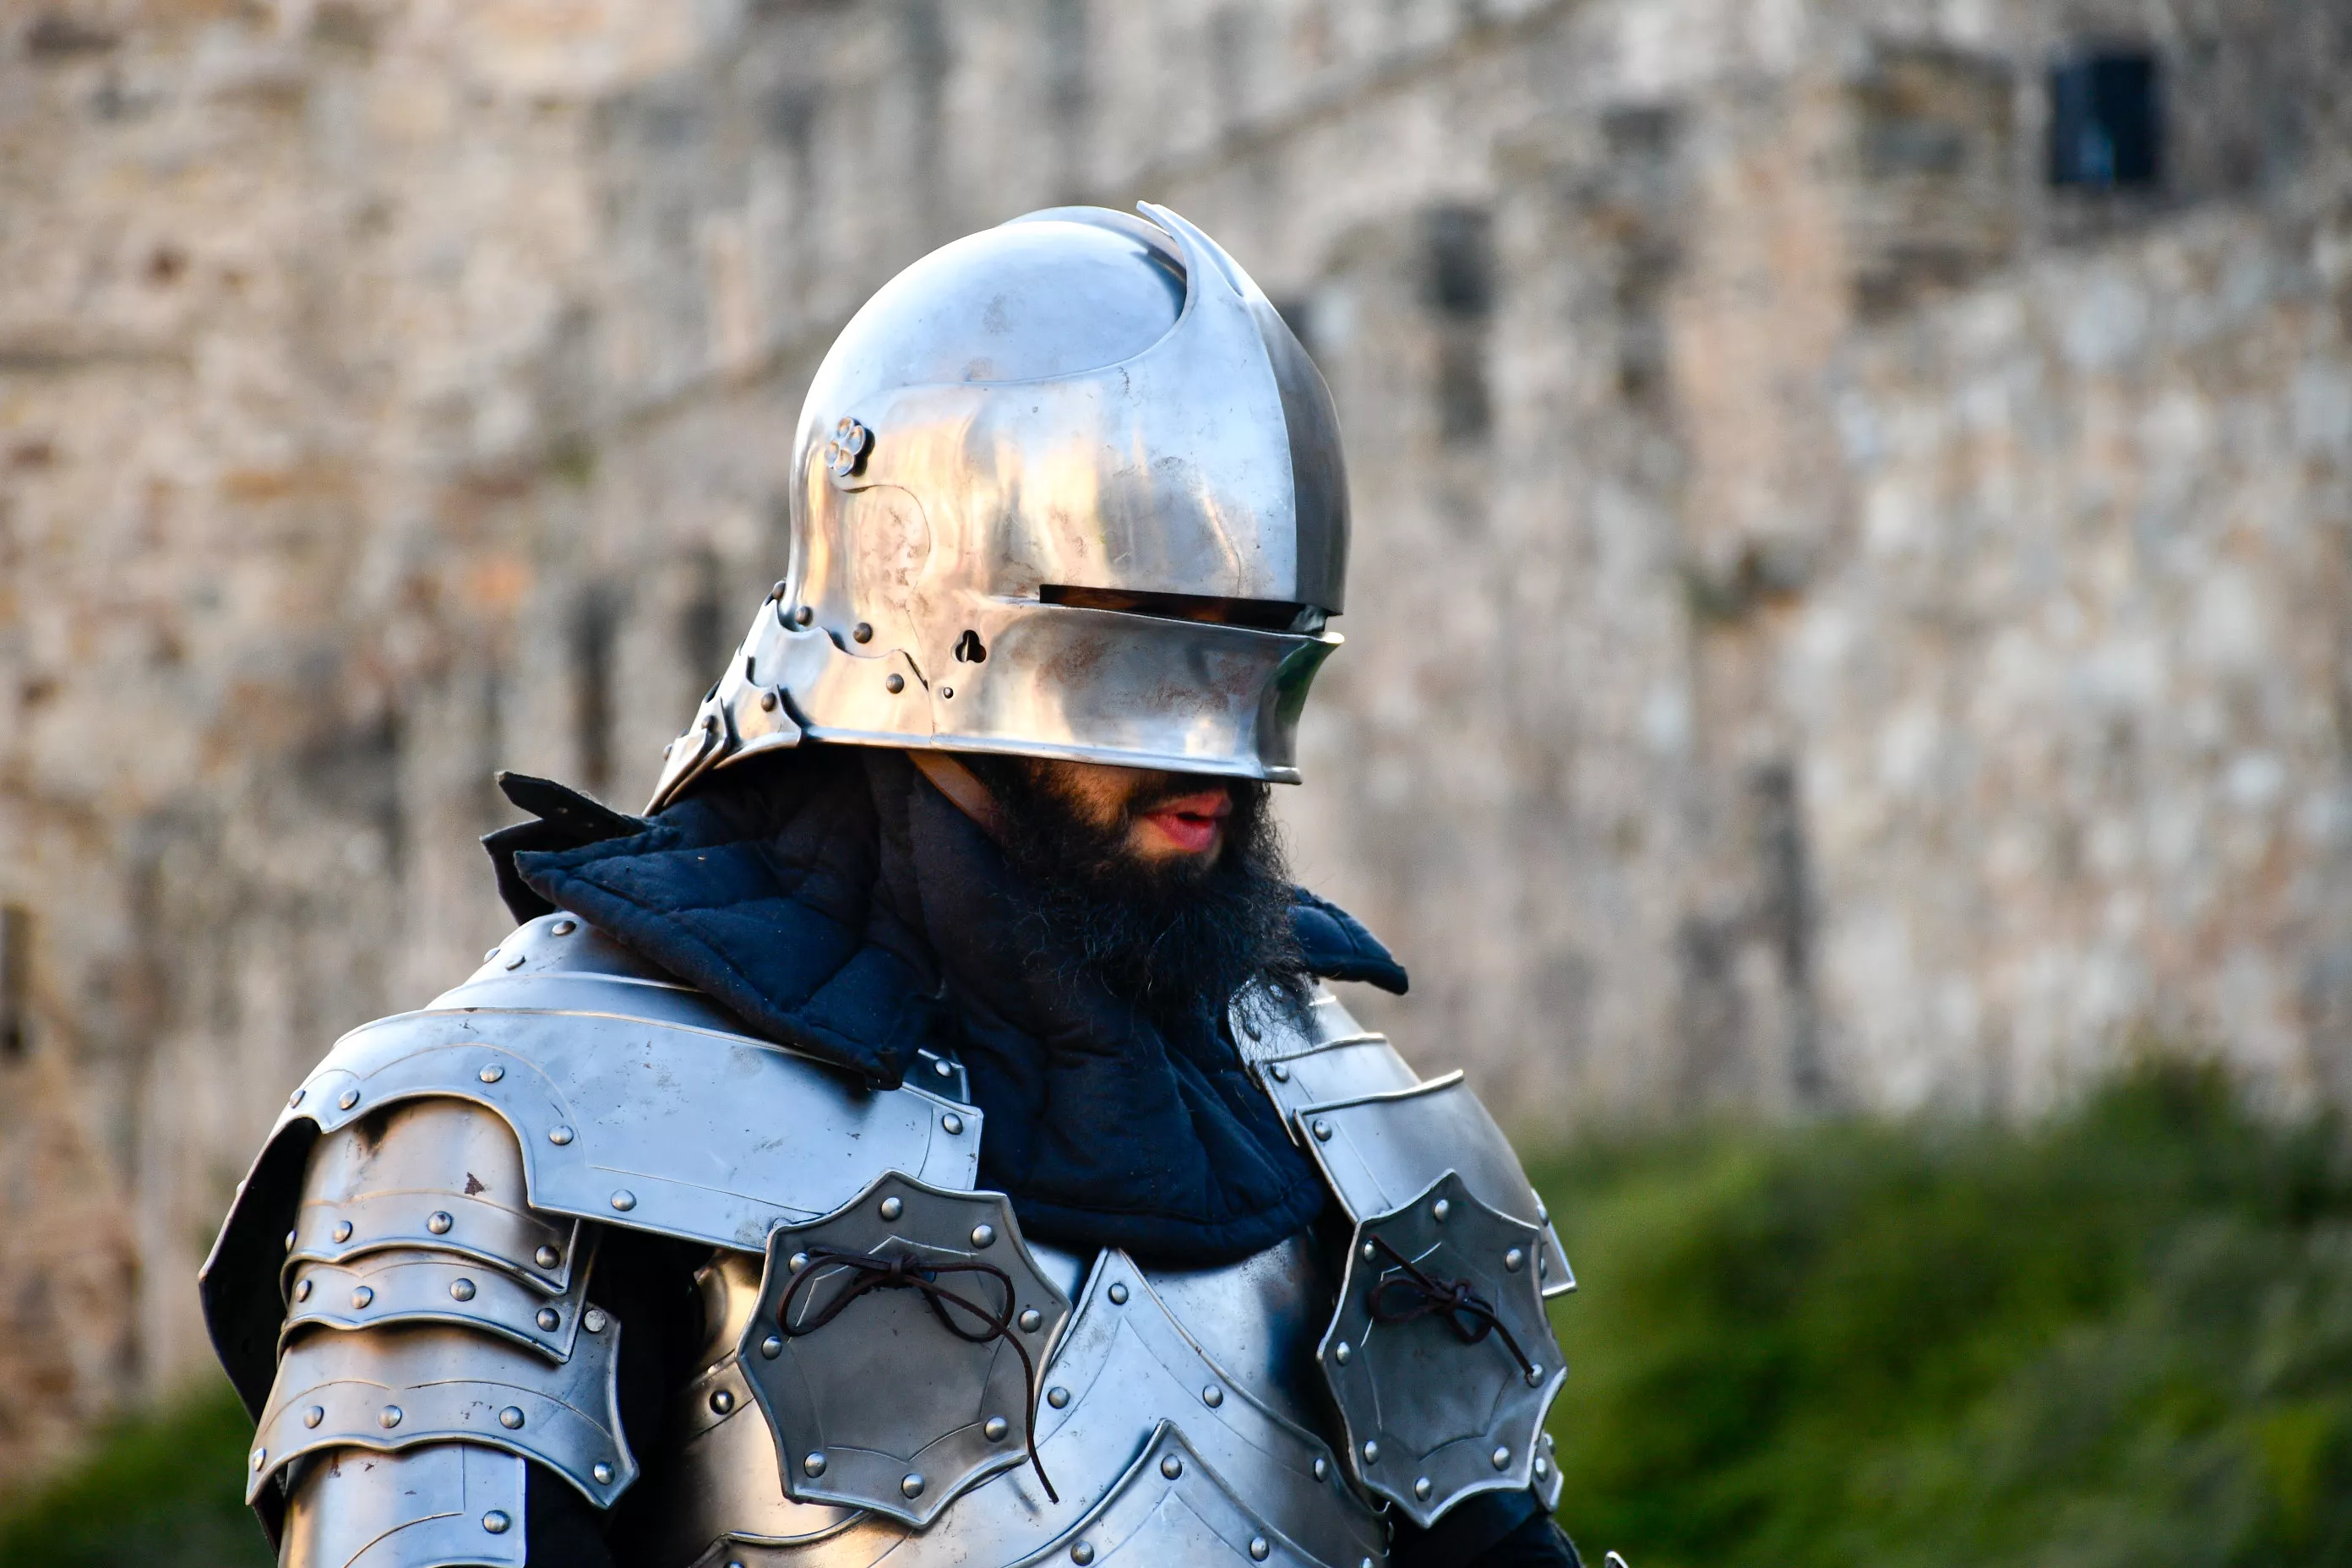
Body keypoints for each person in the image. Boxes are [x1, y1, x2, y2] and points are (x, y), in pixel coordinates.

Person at [201, 204, 1582, 1568]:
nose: (1217, 753)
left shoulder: (1328, 1116)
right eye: (1146, 662)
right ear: (927, 616)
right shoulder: (511, 1131)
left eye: (1262, 664)